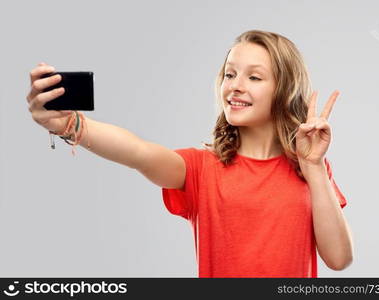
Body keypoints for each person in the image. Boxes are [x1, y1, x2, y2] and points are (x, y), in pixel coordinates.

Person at [27, 29, 353, 278]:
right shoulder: (200, 168)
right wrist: (70, 123)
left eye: (254, 77)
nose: (235, 85)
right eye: (229, 73)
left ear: (283, 90)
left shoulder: (309, 170)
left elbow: (339, 259)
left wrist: (314, 167)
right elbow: (138, 152)